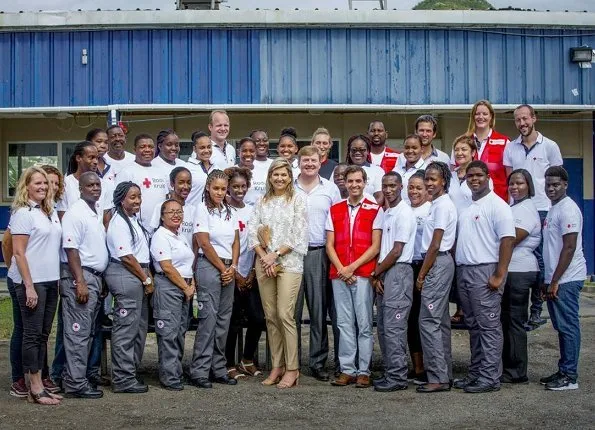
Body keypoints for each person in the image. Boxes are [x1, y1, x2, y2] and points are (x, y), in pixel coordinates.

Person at [454, 160, 515, 394]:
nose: (474, 179)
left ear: (488, 177)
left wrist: (499, 274)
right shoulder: (467, 206)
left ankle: (490, 377)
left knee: (488, 326)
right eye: (470, 176)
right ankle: (476, 372)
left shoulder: (497, 206)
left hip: (485, 271)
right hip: (465, 270)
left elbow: (507, 240)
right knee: (474, 326)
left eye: (478, 175)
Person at [248, 158, 308, 389]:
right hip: (264, 263)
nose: (280, 178)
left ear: (290, 176)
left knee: (285, 314)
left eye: (284, 174)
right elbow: (252, 232)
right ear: (270, 177)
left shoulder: (298, 199)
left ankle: (292, 368)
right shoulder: (262, 201)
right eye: (276, 174)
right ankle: (276, 366)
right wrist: (265, 257)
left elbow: (298, 233)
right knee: (271, 317)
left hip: (289, 262)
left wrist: (275, 254)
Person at [504, 104, 564, 328]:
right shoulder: (511, 148)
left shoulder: (550, 146)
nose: (522, 123)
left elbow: (557, 180)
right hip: (520, 209)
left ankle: (537, 310)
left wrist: (555, 207)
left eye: (525, 119)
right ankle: (519, 307)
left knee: (542, 258)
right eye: (518, 120)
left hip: (544, 209)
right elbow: (511, 182)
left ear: (534, 118)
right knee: (519, 257)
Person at [8, 166, 63, 405]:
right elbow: (19, 254)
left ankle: (40, 382)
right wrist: (28, 286)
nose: (42, 187)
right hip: (31, 282)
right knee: (31, 335)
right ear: (26, 187)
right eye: (37, 183)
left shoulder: (48, 211)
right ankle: (34, 388)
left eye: (45, 183)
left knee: (42, 335)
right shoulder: (23, 213)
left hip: (50, 280)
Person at [326, 165, 382, 389]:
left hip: (363, 274)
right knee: (344, 322)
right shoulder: (335, 209)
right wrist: (342, 268)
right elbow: (329, 245)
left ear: (364, 182)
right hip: (339, 274)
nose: (354, 185)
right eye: (350, 181)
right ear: (345, 183)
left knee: (364, 322)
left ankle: (364, 371)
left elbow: (376, 245)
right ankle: (347, 369)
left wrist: (353, 267)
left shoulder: (374, 209)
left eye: (358, 181)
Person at [294, 146, 341, 382]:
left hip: (318, 253)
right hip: (291, 253)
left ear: (320, 162)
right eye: (305, 160)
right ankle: (291, 362)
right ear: (299, 162)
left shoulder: (330, 189)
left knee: (318, 310)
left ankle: (318, 361)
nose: (309, 164)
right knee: (291, 312)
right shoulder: (289, 186)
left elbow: (337, 222)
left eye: (313, 160)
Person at [189, 170, 240, 388]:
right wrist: (222, 268)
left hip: (228, 267)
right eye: (215, 188)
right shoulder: (202, 209)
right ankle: (199, 370)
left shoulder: (229, 210)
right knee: (208, 319)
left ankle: (218, 368)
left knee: (223, 320)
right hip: (210, 266)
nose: (219, 192)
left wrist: (233, 267)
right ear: (208, 188)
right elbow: (204, 242)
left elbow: (236, 241)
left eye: (223, 188)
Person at [59, 172, 108, 399]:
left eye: (98, 184)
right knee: (77, 333)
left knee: (88, 332)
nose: (95, 188)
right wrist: (79, 282)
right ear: (80, 189)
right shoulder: (75, 213)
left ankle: (81, 377)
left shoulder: (94, 212)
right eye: (90, 185)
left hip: (95, 278)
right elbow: (71, 249)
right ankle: (75, 383)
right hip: (81, 278)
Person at [540, 166, 587, 391]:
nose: (551, 188)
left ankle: (570, 376)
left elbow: (569, 247)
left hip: (567, 279)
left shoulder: (568, 209)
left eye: (556, 184)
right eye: (548, 184)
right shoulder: (554, 208)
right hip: (557, 278)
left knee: (568, 327)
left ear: (565, 184)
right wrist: (548, 278)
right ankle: (563, 369)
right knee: (561, 327)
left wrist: (555, 280)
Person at [104, 182, 153, 394]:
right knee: (126, 329)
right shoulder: (118, 223)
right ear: (121, 199)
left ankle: (129, 372)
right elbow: (126, 256)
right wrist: (146, 279)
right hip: (127, 275)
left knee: (138, 329)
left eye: (139, 196)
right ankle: (122, 378)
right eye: (132, 197)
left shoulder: (133, 220)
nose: (137, 201)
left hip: (137, 275)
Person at [372, 172, 417, 392]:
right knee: (383, 327)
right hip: (385, 272)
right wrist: (379, 274)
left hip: (398, 271)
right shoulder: (387, 212)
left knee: (394, 327)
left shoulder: (404, 213)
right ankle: (390, 371)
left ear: (401, 186)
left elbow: (397, 250)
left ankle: (398, 376)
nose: (388, 190)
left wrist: (375, 273)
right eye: (385, 186)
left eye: (393, 185)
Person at [415, 161, 457, 393]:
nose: (429, 183)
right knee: (439, 321)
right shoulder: (435, 204)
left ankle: (438, 377)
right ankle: (443, 373)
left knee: (429, 320)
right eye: (427, 179)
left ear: (444, 181)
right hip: (437, 261)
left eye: (434, 179)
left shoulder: (442, 206)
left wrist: (421, 275)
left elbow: (435, 244)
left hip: (437, 262)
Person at [223, 167, 266, 379]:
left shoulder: (252, 210)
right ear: (228, 188)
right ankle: (228, 363)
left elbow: (257, 242)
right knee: (232, 321)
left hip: (251, 273)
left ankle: (247, 359)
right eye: (235, 187)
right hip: (231, 274)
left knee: (258, 318)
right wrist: (236, 274)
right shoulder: (223, 211)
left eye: (243, 186)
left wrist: (250, 273)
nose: (240, 190)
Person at [150, 199, 196, 391]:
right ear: (162, 216)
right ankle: (169, 377)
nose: (176, 215)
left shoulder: (179, 236)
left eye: (179, 212)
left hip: (184, 287)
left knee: (179, 332)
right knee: (168, 333)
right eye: (171, 212)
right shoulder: (161, 236)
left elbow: (187, 264)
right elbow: (167, 267)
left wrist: (191, 283)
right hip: (169, 287)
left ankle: (176, 371)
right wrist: (185, 288)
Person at [501, 169, 541, 384]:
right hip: (511, 270)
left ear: (529, 186)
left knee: (514, 322)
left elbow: (511, 239)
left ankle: (517, 371)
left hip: (520, 271)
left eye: (520, 183)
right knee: (506, 321)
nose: (514, 187)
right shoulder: (514, 207)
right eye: (512, 183)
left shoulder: (526, 209)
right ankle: (507, 366)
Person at [406, 170, 431, 384]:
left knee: (427, 318)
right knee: (411, 318)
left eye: (418, 188)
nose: (414, 191)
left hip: (426, 267)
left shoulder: (431, 210)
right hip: (407, 267)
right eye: (411, 187)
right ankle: (417, 367)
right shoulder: (403, 210)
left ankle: (432, 366)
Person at [459, 100, 510, 201]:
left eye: (485, 114)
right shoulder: (462, 142)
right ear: (473, 117)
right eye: (477, 114)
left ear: (491, 116)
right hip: (468, 202)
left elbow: (510, 176)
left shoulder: (504, 142)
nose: (481, 117)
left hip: (498, 201)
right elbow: (454, 172)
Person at [115, 134, 169, 230]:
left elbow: (165, 197)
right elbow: (118, 202)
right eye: (142, 147)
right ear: (134, 150)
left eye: (151, 147)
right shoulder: (127, 172)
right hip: (137, 228)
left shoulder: (160, 171)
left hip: (159, 227)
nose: (147, 150)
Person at [57, 140, 114, 223]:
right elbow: (62, 216)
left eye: (97, 158)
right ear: (78, 158)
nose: (95, 162)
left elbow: (106, 220)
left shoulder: (105, 184)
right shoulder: (65, 184)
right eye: (91, 157)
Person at [150, 167, 196, 248]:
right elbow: (154, 236)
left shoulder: (193, 210)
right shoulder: (160, 207)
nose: (186, 187)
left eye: (189, 183)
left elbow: (195, 241)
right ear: (172, 184)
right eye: (181, 182)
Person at [345, 134, 384, 204]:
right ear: (349, 151)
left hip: (369, 212)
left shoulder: (377, 171)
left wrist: (365, 211)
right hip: (343, 212)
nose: (357, 152)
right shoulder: (341, 170)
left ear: (368, 151)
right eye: (354, 150)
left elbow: (379, 197)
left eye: (362, 150)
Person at [186, 130, 219, 208]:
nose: (206, 151)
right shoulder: (187, 169)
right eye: (202, 148)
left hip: (213, 215)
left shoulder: (217, 168)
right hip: (192, 216)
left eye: (209, 147)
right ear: (194, 149)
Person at [392, 135, 426, 203]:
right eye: (407, 147)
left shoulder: (426, 171)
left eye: (414, 148)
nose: (410, 151)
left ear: (422, 149)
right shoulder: (396, 170)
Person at [237, 137, 267, 206]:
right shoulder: (232, 171)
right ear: (239, 152)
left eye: (251, 151)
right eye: (244, 151)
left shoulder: (264, 172)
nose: (248, 154)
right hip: (239, 213)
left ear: (256, 152)